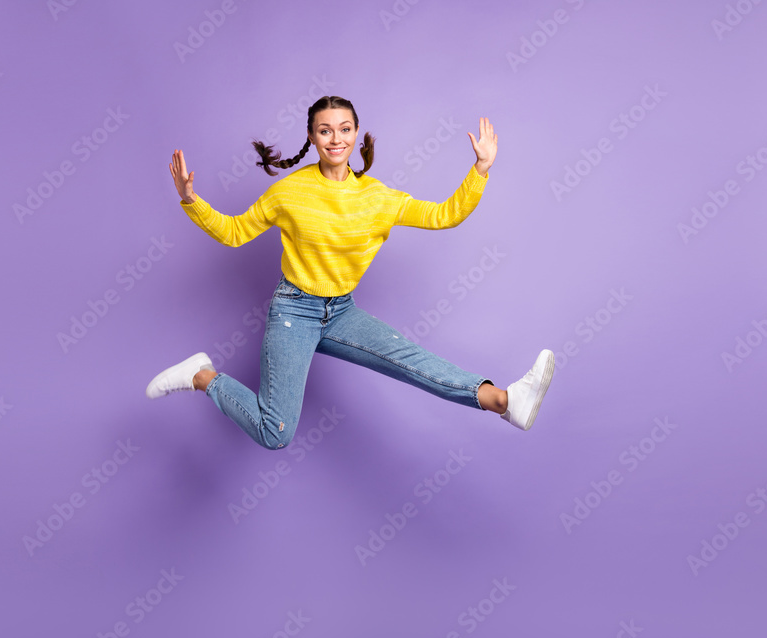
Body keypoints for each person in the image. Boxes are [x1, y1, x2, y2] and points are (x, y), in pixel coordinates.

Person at [146, 95, 554, 450]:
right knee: (276, 433)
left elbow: (444, 215)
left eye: (344, 129)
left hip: (341, 311)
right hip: (294, 313)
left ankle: (505, 402)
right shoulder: (289, 191)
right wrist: (191, 200)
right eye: (325, 131)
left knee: (412, 362)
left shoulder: (377, 197)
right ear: (311, 137)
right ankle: (201, 375)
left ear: (357, 133)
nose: (336, 138)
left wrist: (479, 170)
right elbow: (235, 232)